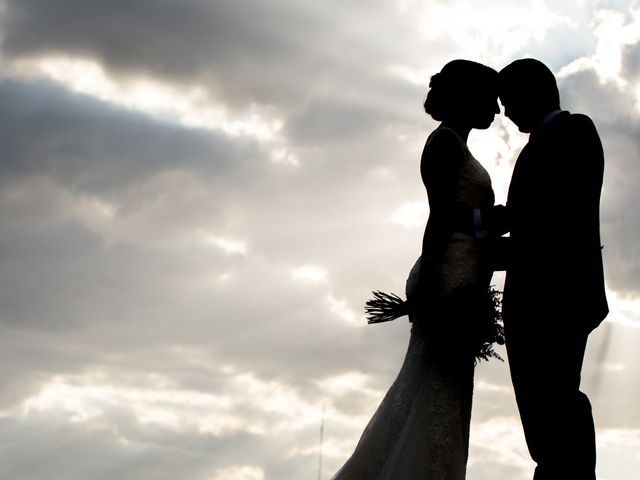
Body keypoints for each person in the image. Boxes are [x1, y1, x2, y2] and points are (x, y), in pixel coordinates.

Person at [331, 59, 500, 480]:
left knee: (447, 394)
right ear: (467, 97)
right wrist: (431, 290)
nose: (497, 110)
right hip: (446, 280)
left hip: (460, 278)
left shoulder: (456, 145)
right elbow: (441, 217)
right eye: (489, 98)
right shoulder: (443, 144)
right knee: (438, 394)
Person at [489, 58, 608, 480]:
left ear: (533, 92)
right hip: (543, 299)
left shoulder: (574, 133)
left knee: (555, 407)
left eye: (508, 101)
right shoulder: (545, 142)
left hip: (555, 299)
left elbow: (551, 225)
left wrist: (484, 252)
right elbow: (529, 216)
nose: (504, 112)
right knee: (547, 415)